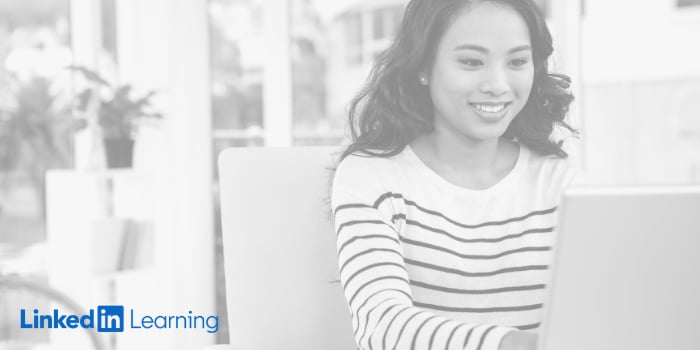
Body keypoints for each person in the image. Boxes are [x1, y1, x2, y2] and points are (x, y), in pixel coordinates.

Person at [330, 0, 578, 349]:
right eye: (471, 62)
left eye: (517, 62)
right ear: (424, 66)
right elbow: (382, 328)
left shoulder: (561, 182)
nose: (498, 84)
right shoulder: (371, 177)